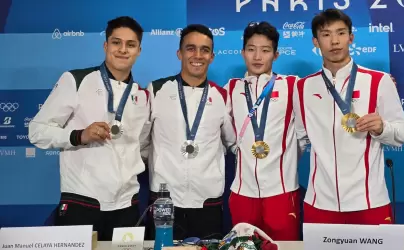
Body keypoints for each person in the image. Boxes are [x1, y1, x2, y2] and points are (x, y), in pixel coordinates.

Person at [28, 16, 151, 240]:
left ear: (139, 50)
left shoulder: (141, 96)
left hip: (126, 206)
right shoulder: (76, 80)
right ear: (106, 45)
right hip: (81, 202)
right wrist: (79, 135)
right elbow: (36, 131)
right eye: (116, 42)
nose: (123, 50)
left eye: (130, 45)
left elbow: (141, 148)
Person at [293, 9, 404, 224]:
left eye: (340, 33)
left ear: (351, 37)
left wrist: (382, 128)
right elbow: (299, 139)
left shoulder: (378, 81)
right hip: (320, 201)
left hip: (369, 200)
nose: (335, 41)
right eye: (326, 35)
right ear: (316, 41)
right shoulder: (303, 87)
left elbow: (403, 133)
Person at [145, 24, 236, 240]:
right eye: (190, 48)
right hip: (165, 200)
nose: (198, 55)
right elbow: (141, 141)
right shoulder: (156, 90)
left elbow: (230, 142)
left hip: (208, 201)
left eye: (204, 50)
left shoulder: (222, 95)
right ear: (179, 53)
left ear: (212, 56)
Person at [224, 22, 304, 241]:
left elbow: (323, 105)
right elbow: (217, 129)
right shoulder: (230, 88)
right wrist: (237, 148)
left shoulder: (292, 85)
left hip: (282, 192)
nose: (257, 56)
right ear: (243, 53)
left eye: (265, 50)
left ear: (276, 55)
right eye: (251, 49)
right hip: (242, 193)